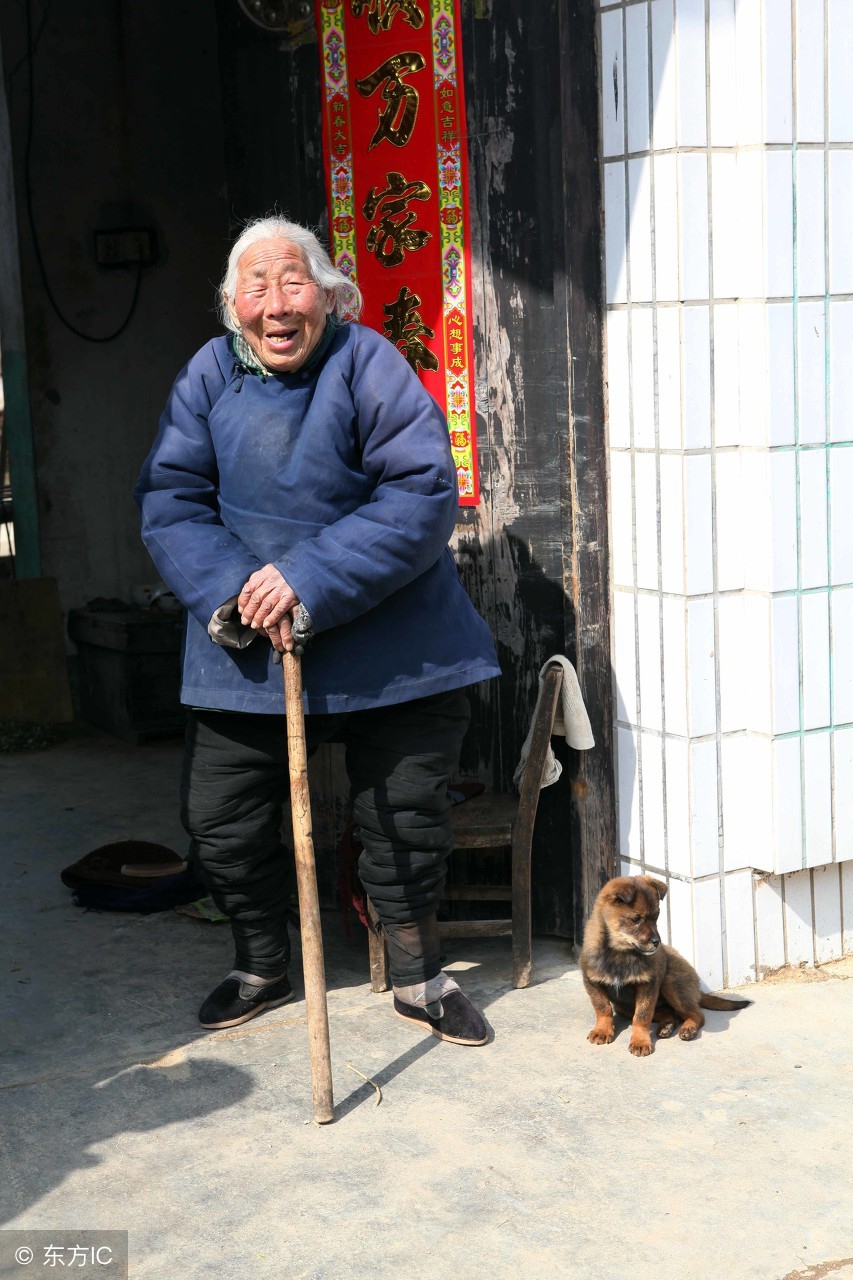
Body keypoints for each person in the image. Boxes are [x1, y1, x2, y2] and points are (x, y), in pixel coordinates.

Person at [134, 215, 501, 1046]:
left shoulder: (366, 359)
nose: (275, 305)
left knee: (404, 819)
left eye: (291, 282)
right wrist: (239, 592)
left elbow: (418, 490)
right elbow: (169, 500)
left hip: (391, 637)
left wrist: (307, 577)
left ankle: (416, 972)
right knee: (219, 822)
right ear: (232, 307)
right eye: (255, 288)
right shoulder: (206, 376)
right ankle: (262, 961)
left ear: (329, 295)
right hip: (251, 644)